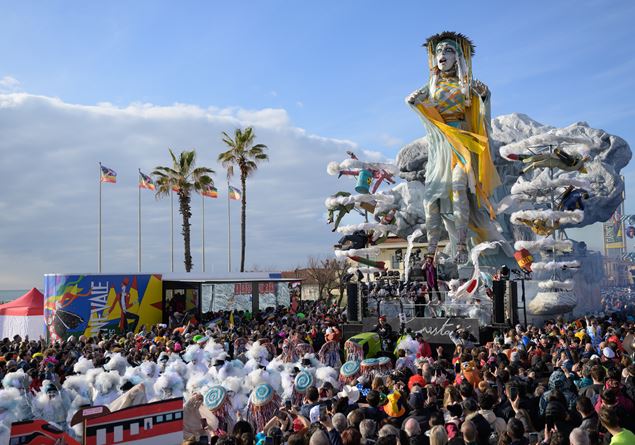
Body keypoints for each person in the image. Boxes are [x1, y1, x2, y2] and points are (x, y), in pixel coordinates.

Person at [406, 31, 502, 263]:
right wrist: (411, 102)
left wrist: (485, 97)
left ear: (458, 57)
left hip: (462, 140)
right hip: (440, 144)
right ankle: (431, 250)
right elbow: (416, 104)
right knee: (432, 197)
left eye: (448, 50)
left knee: (459, 186)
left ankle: (460, 244)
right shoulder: (430, 85)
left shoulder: (466, 85)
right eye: (439, 51)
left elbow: (481, 112)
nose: (442, 55)